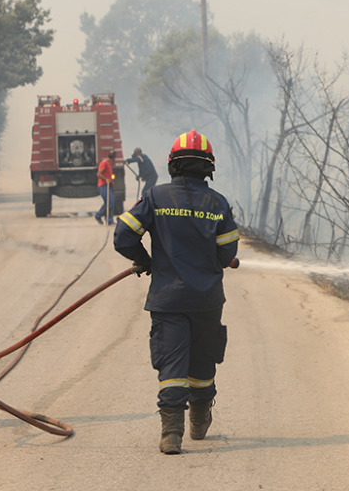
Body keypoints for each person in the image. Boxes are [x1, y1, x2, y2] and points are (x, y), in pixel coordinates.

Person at [113, 130, 239, 454]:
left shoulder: (155, 197)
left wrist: (145, 260)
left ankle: (171, 432)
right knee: (202, 363)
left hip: (168, 300)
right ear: (208, 168)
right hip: (207, 300)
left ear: (173, 165)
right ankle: (199, 420)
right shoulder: (219, 203)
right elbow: (227, 255)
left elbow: (123, 236)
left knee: (172, 365)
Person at [94, 149, 117, 224]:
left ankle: (109, 219)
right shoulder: (104, 163)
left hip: (108, 185)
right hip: (103, 185)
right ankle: (99, 216)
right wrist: (106, 179)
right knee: (109, 202)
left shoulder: (109, 164)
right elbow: (99, 174)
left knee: (111, 202)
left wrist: (110, 181)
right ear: (114, 158)